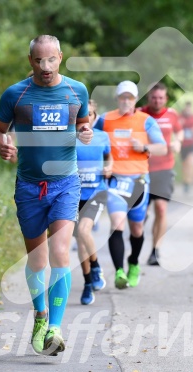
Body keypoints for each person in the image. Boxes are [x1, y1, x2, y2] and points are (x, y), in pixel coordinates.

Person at [0, 35, 92, 356]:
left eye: (51, 60)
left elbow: (83, 124)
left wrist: (85, 132)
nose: (45, 67)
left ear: (60, 57)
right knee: (38, 259)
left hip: (65, 183)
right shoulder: (16, 94)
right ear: (30, 60)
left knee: (61, 252)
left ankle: (56, 329)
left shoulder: (77, 91)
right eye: (38, 60)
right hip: (30, 186)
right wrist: (2, 144)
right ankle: (40, 315)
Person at [95, 80, 166, 288]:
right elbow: (90, 138)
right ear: (117, 98)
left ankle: (133, 262)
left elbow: (162, 148)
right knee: (117, 223)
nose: (126, 101)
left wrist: (144, 146)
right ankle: (119, 272)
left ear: (135, 100)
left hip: (138, 181)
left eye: (130, 98)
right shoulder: (105, 119)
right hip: (115, 180)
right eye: (123, 97)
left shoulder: (146, 121)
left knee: (136, 228)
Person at [139, 83, 183, 266]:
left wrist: (178, 142)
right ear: (149, 97)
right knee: (140, 214)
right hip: (141, 168)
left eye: (160, 98)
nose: (157, 100)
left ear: (165, 99)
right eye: (154, 97)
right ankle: (138, 240)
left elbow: (179, 132)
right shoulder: (139, 113)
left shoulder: (172, 115)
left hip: (164, 168)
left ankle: (155, 251)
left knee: (161, 209)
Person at [74, 100, 111, 305]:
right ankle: (88, 282)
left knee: (83, 232)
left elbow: (109, 158)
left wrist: (109, 167)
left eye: (88, 114)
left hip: (96, 192)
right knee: (81, 241)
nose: (84, 119)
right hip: (74, 194)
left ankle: (95, 267)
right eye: (81, 115)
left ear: (95, 117)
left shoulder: (102, 137)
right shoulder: (70, 139)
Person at [179, 101, 193, 194]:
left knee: (190, 161)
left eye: (189, 109)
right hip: (183, 144)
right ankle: (186, 181)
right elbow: (176, 128)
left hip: (192, 144)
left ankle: (190, 180)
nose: (188, 110)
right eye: (187, 108)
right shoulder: (180, 117)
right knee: (184, 164)